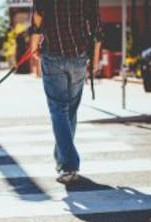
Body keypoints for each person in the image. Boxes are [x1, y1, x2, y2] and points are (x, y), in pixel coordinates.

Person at [30, 0, 103, 185]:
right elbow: (96, 27)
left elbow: (38, 16)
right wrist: (93, 61)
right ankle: (62, 159)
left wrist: (34, 46)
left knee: (58, 109)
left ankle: (68, 166)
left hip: (53, 54)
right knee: (69, 109)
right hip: (79, 56)